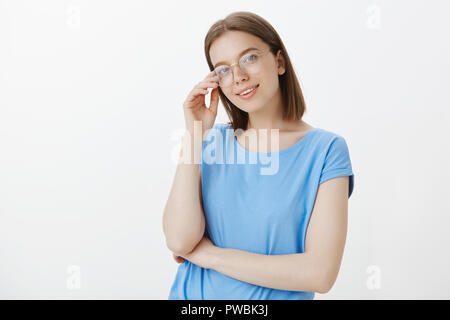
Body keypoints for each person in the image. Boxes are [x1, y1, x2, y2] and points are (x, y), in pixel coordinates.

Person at [162, 11, 354, 300]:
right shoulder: (209, 143)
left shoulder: (326, 151)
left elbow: (320, 273)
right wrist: (195, 134)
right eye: (223, 69)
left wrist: (206, 255)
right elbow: (179, 239)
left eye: (249, 58)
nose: (238, 76)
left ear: (279, 61)